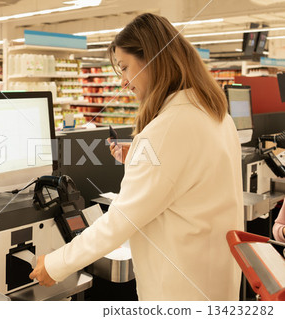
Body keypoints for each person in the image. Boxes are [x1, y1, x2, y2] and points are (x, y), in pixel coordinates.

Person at [30, 13, 243, 301]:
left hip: (179, 291)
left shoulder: (167, 130)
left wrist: (55, 265)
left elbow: (118, 222)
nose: (124, 82)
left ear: (153, 59)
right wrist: (142, 157)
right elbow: (188, 181)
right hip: (215, 282)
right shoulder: (215, 114)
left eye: (125, 67)